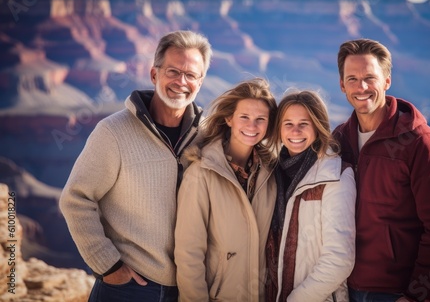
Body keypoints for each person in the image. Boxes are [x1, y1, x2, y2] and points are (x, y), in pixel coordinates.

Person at [59, 30, 212, 302]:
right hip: (128, 289)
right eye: (173, 71)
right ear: (154, 74)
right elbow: (76, 199)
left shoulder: (207, 136)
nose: (181, 82)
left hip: (189, 289)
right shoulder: (113, 132)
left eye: (191, 75)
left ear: (200, 82)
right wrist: (109, 266)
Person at [332, 38, 430, 302]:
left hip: (400, 292)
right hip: (347, 289)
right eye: (352, 79)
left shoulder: (420, 143)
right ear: (342, 85)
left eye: (370, 77)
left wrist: (417, 295)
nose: (362, 87)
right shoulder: (339, 140)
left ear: (387, 81)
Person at [174, 77, 278, 301]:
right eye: (244, 117)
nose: (252, 126)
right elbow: (188, 254)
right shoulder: (201, 174)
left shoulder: (271, 174)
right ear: (229, 119)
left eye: (261, 119)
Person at [266, 90, 356, 302]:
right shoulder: (270, 174)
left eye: (304, 124)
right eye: (288, 123)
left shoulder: (336, 176)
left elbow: (339, 259)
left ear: (318, 126)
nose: (295, 131)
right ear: (278, 129)